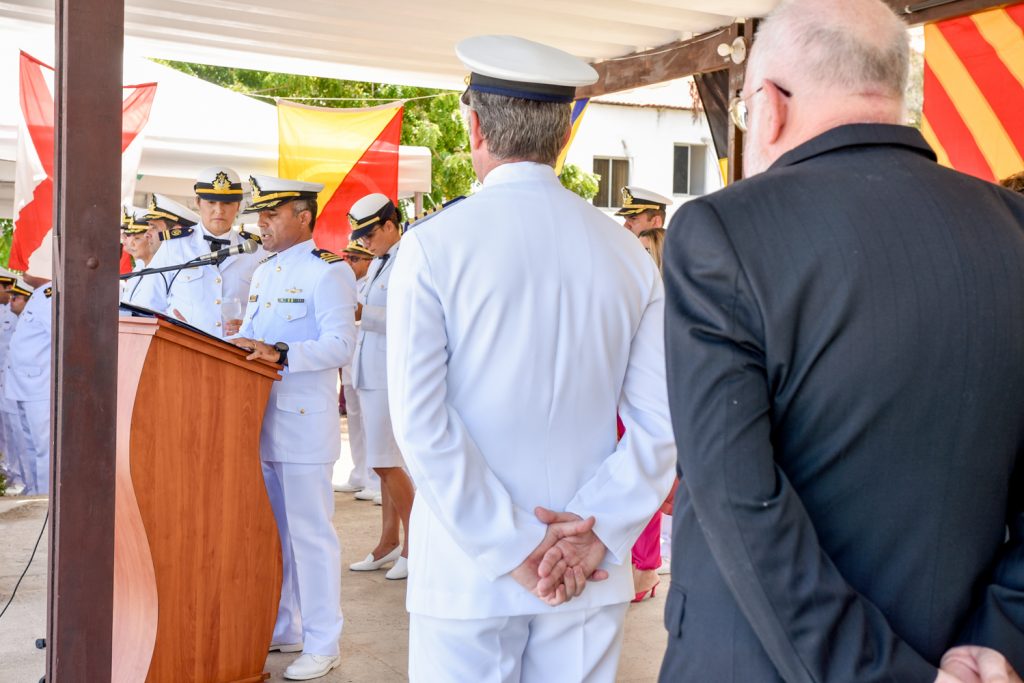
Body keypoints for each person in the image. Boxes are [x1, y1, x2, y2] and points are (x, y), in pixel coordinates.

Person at [659, 1, 1024, 681]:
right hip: (966, 660)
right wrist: (1000, 640)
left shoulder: (722, 233)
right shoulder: (1012, 229)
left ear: (766, 106)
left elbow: (739, 500)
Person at [386, 35, 676, 682]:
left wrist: (515, 546)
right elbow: (661, 424)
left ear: (475, 126)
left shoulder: (434, 246)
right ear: (562, 135)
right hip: (587, 566)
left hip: (468, 571)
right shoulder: (626, 253)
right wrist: (593, 534)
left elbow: (421, 424)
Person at [231, 174, 357, 681]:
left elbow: (339, 345)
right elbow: (255, 334)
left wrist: (280, 352)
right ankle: (288, 625)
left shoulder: (329, 272)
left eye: (271, 214)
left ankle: (325, 641)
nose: (261, 222)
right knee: (276, 535)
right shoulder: (263, 272)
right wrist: (235, 341)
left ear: (303, 217)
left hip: (304, 426)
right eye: (260, 214)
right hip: (258, 420)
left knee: (311, 536)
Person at [347, 194, 415, 581]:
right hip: (371, 372)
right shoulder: (381, 262)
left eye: (369, 233)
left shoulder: (408, 260)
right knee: (382, 462)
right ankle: (389, 541)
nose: (364, 242)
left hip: (392, 375)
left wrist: (362, 313)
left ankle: (416, 545)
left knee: (388, 462)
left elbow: (410, 318)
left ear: (390, 225)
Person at [135, 168, 263, 338]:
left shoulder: (255, 250)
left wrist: (251, 327)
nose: (219, 210)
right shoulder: (174, 246)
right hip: (186, 351)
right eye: (211, 202)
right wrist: (170, 326)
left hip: (237, 354)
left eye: (227, 203)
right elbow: (147, 304)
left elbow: (268, 309)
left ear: (238, 205)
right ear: (198, 202)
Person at [333, 241, 380, 500]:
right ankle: (360, 473)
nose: (348, 263)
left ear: (368, 261)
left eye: (354, 258)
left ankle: (377, 481)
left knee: (372, 420)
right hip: (351, 361)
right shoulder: (347, 285)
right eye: (347, 257)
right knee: (354, 418)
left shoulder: (375, 282)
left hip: (372, 360)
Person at [4, 276, 52, 495]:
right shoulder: (39, 295)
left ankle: (45, 499)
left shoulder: (51, 294)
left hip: (40, 386)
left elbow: (59, 336)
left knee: (44, 449)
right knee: (30, 446)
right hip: (24, 385)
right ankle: (35, 490)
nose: (24, 271)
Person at [0, 274, 24, 492]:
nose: (9, 299)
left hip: (15, 383)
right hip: (5, 382)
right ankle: (8, 475)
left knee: (15, 434)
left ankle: (17, 478)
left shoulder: (20, 315)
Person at [120, 205, 160, 305]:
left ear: (150, 239)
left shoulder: (160, 270)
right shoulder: (139, 268)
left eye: (137, 238)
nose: (130, 242)